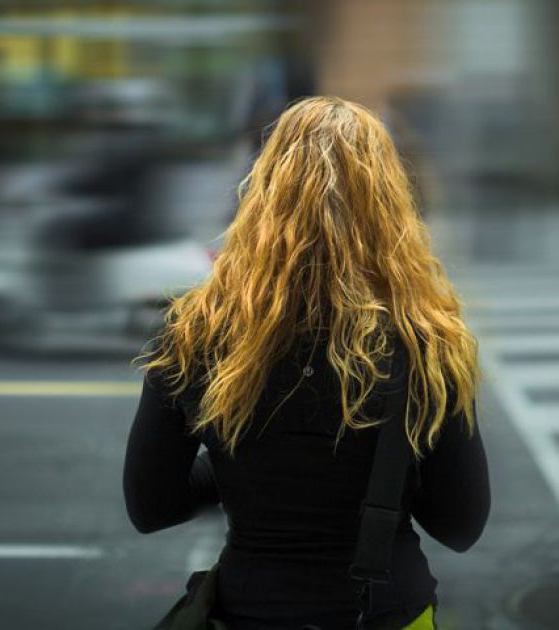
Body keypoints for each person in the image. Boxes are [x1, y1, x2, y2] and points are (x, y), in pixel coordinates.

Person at [124, 96, 490, 629]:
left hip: (250, 612)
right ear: (390, 204)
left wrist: (240, 465)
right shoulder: (424, 342)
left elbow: (151, 506)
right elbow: (460, 525)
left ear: (262, 193)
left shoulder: (195, 332)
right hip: (388, 614)